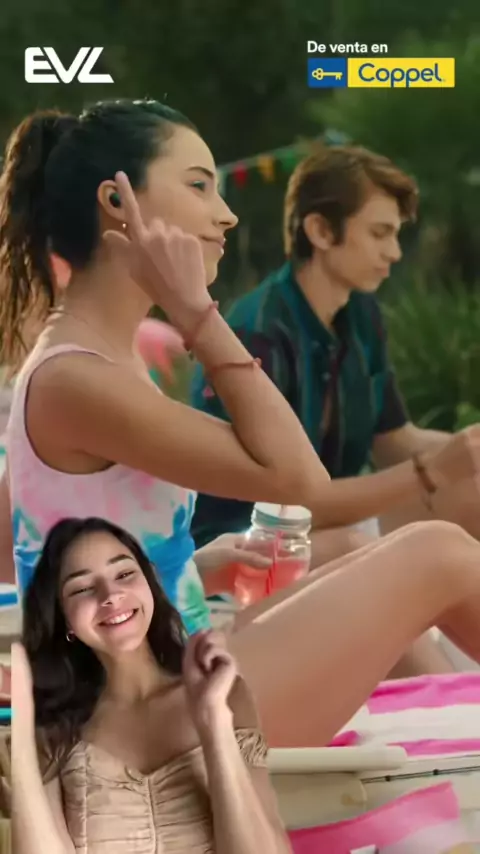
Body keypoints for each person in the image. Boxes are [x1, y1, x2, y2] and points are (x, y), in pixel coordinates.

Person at [0, 100, 480, 748]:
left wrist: (194, 568)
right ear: (118, 202)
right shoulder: (75, 378)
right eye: (200, 186)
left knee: (398, 550)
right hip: (143, 725)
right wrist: (196, 313)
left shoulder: (98, 360)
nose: (225, 214)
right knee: (438, 553)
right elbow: (299, 479)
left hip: (171, 672)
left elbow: (56, 548)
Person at [190, 145, 480, 555]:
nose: (394, 252)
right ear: (321, 231)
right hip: (246, 539)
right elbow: (286, 500)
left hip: (334, 519)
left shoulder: (360, 313)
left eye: (395, 234)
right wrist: (430, 471)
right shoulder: (255, 332)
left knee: (472, 496)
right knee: (351, 545)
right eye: (379, 233)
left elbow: (394, 442)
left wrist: (466, 452)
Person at [12, 517, 289, 854]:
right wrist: (23, 727)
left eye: (124, 574)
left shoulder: (225, 693)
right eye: (83, 588)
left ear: (150, 583)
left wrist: (213, 721)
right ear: (64, 618)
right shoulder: (54, 729)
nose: (111, 595)